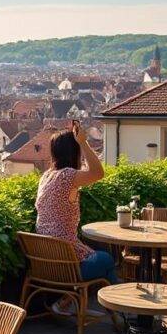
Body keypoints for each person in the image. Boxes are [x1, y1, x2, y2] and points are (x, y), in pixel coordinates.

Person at [35, 121, 115, 315]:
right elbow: (98, 173)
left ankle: (67, 300)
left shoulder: (46, 176)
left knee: (97, 254)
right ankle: (118, 310)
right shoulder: (67, 176)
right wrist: (83, 142)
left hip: (44, 263)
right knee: (107, 259)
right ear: (74, 152)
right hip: (67, 266)